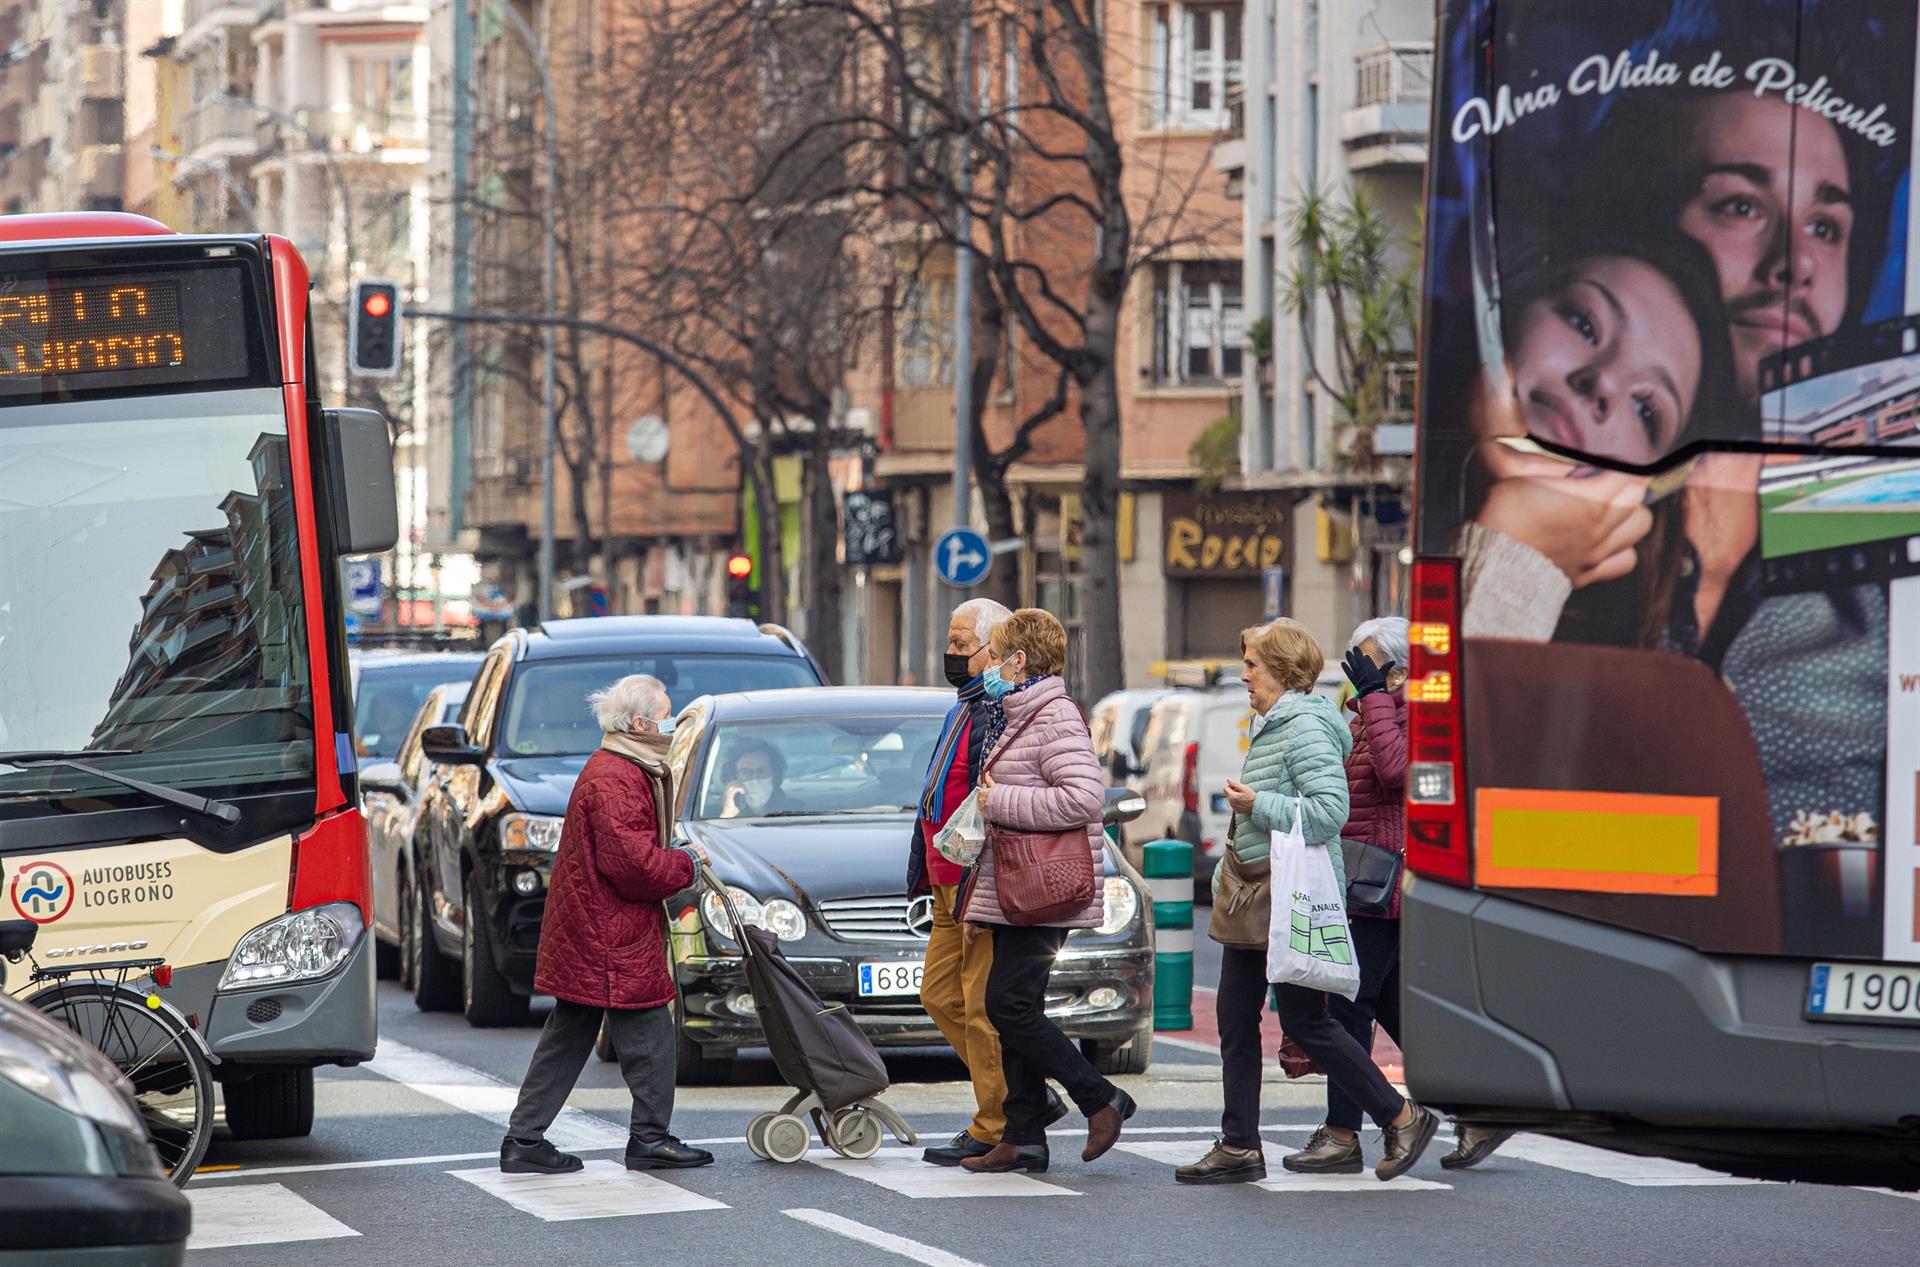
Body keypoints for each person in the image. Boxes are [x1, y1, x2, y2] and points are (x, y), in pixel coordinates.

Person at [1177, 619, 1437, 1185]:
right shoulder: (1274, 724)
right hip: (1257, 890)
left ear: (1283, 671)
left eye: (1252, 664)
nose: (1243, 674)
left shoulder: (1305, 728)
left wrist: (1256, 804)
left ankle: (1401, 1115)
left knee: (1308, 1020)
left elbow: (1327, 814)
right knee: (1238, 1019)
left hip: (1286, 894)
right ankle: (1241, 1142)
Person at [499, 674, 712, 1175]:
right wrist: (687, 865)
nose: (670, 723)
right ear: (640, 723)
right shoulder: (618, 776)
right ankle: (650, 1139)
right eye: (665, 714)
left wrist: (671, 856)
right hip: (610, 932)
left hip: (591, 926)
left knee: (569, 1034)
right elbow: (633, 867)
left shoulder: (616, 767)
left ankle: (525, 1139)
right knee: (651, 1032)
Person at [959, 608, 1132, 1174]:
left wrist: (998, 802)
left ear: (1020, 659)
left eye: (997, 653)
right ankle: (1024, 1135)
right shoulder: (1021, 712)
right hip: (1018, 886)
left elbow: (1084, 798)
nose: (988, 665)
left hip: (1043, 885)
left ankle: (1099, 1097)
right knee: (1015, 1006)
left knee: (1006, 1005)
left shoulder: (1052, 714)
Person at [912, 598, 1058, 1167]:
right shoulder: (961, 706)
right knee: (939, 995)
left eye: (960, 644)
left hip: (975, 881)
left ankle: (998, 1122)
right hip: (945, 877)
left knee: (980, 1007)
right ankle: (1025, 1097)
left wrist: (980, 883)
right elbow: (936, 796)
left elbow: (990, 800)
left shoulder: (995, 711)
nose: (950, 654)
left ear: (993, 652)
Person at [716, 738, 791, 817]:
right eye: (745, 772)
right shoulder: (713, 814)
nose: (754, 778)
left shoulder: (795, 809)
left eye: (761, 771)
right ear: (734, 778)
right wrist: (728, 814)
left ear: (774, 775)